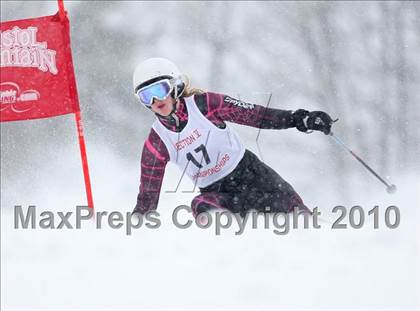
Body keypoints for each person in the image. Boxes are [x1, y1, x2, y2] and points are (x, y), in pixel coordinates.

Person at [132, 58, 333, 218]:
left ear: (175, 87)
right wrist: (132, 232)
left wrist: (299, 119)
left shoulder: (205, 105)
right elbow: (147, 198)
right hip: (219, 195)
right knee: (201, 206)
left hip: (255, 178)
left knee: (303, 221)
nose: (155, 100)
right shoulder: (156, 142)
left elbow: (257, 116)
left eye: (160, 90)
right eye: (145, 96)